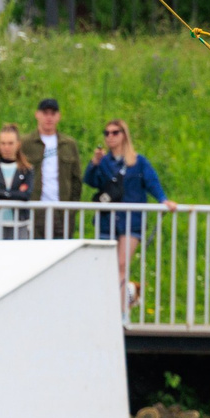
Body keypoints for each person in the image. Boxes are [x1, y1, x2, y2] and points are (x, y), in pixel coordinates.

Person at [84, 117, 173, 312]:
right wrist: (93, 163)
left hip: (131, 220)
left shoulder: (138, 161)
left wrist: (163, 200)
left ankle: (121, 311)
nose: (110, 137)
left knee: (122, 263)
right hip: (107, 221)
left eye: (115, 132)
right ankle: (108, 306)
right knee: (106, 266)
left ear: (124, 135)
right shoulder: (104, 162)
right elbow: (90, 180)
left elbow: (152, 182)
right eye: (107, 133)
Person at [25, 96, 82, 237]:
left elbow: (76, 179)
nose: (49, 117)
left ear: (59, 116)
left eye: (53, 113)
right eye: (45, 113)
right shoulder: (26, 143)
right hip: (35, 209)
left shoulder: (69, 144)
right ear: (37, 114)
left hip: (62, 210)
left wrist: (71, 208)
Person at [0, 124, 32, 239]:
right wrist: (14, 194)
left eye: (10, 143)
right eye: (3, 143)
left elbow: (25, 195)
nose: (6, 147)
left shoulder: (26, 170)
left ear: (18, 144)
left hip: (19, 223)